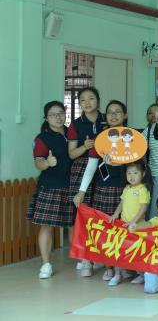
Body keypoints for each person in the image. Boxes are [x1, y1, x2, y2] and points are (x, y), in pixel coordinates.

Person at [73, 100, 129, 283]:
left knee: (124, 227)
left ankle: (123, 265)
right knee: (105, 229)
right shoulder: (100, 138)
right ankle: (109, 266)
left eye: (118, 111)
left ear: (125, 115)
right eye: (110, 112)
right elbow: (91, 167)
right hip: (103, 189)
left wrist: (119, 163)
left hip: (126, 189)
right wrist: (81, 191)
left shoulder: (132, 137)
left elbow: (139, 164)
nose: (114, 115)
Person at [28, 101, 73, 280]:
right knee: (46, 225)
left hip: (73, 185)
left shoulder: (72, 133)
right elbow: (38, 162)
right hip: (51, 186)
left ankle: (83, 260)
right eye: (53, 115)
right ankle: (46, 264)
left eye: (60, 113)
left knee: (75, 223)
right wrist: (47, 163)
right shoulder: (42, 138)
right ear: (46, 118)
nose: (58, 117)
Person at [67, 86, 105, 277]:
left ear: (98, 100)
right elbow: (71, 153)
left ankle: (100, 254)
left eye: (91, 98)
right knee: (83, 212)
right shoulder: (76, 124)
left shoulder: (107, 119)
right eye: (83, 100)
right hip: (82, 169)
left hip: (105, 168)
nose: (87, 103)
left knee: (101, 211)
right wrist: (85, 146)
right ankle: (84, 258)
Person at [109, 160, 150, 286]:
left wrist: (133, 221)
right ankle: (118, 274)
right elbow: (122, 203)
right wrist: (115, 214)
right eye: (129, 173)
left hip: (137, 227)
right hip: (124, 225)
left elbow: (143, 207)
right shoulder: (126, 188)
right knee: (119, 249)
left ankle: (141, 274)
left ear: (143, 174)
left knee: (137, 251)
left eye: (135, 173)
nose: (132, 176)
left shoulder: (143, 189)